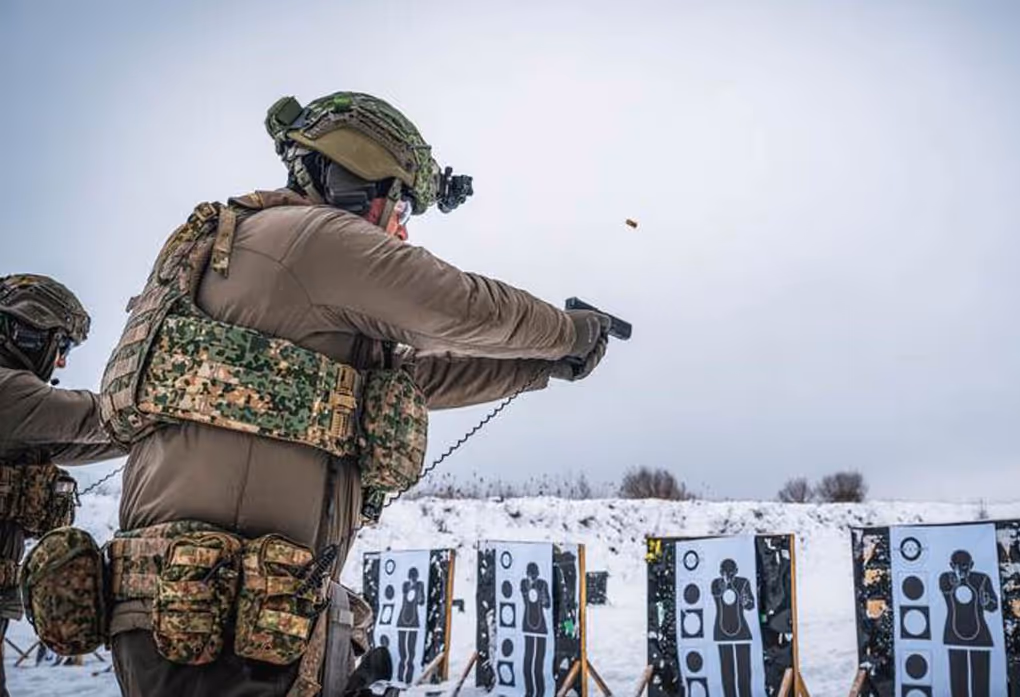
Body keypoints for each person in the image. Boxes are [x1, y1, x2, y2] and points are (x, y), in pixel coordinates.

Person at [97, 91, 613, 697]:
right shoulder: (310, 238)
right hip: (217, 619)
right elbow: (455, 304)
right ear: (363, 186)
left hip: (230, 615)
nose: (401, 229)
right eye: (401, 208)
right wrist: (569, 330)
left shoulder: (280, 266)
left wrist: (542, 365)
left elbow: (416, 381)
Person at [0, 273, 124, 697]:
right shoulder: (9, 391)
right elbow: (99, 418)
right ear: (28, 333)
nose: (63, 362)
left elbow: (79, 441)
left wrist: (147, 428)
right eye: (63, 346)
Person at [939, 549, 999, 697]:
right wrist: (957, 583)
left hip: (980, 635)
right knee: (958, 684)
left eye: (965, 566)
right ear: (951, 565)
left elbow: (993, 605)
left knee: (981, 685)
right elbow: (945, 588)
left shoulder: (982, 579)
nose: (962, 570)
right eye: (958, 566)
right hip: (954, 634)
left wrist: (987, 602)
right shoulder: (946, 578)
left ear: (971, 565)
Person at [711, 558, 756, 697]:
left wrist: (746, 600)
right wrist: (725, 584)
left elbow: (751, 605)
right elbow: (717, 594)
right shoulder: (716, 583)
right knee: (727, 675)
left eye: (731, 573)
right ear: (720, 572)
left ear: (736, 572)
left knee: (744, 674)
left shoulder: (743, 583)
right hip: (722, 633)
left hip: (742, 632)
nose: (729, 576)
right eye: (726, 573)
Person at [519, 562, 551, 697]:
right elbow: (527, 596)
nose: (532, 576)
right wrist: (531, 585)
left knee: (539, 662)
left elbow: (547, 604)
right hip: (528, 624)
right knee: (528, 660)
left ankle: (541, 691)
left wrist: (543, 597)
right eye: (530, 574)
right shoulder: (524, 583)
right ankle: (529, 691)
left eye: (534, 574)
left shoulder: (543, 584)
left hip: (541, 625)